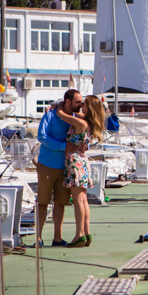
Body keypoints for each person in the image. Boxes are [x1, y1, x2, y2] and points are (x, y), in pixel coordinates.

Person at [54, 95, 106, 246]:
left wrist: (60, 104)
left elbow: (61, 114)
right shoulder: (89, 122)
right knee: (83, 200)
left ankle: (79, 235)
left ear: (88, 108)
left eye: (83, 104)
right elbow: (79, 115)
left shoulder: (80, 123)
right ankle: (87, 232)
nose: (81, 106)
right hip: (82, 162)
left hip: (74, 162)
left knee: (78, 201)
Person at [35, 89, 83, 247]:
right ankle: (38, 238)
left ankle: (57, 238)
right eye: (78, 101)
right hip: (47, 165)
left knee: (60, 203)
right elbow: (41, 136)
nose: (81, 104)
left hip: (65, 167)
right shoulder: (50, 114)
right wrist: (64, 147)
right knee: (43, 202)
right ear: (68, 102)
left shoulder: (75, 117)